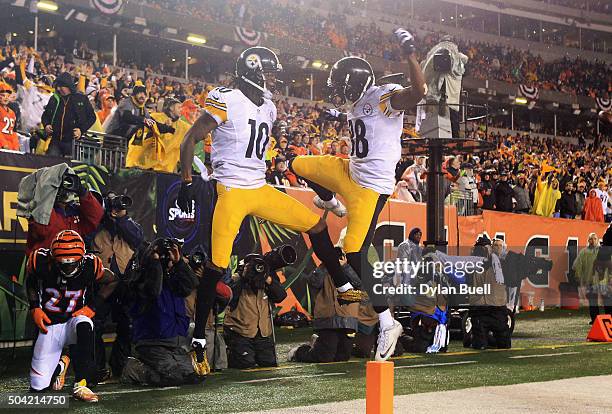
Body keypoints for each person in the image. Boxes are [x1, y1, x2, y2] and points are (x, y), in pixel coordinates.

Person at [176, 47, 358, 373]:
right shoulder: (226, 98)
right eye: (269, 73)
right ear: (254, 71)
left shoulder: (269, 108)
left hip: (259, 188)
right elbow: (189, 139)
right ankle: (200, 338)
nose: (273, 79)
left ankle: (344, 285)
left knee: (315, 226)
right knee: (217, 266)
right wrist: (188, 183)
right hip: (232, 190)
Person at [289, 28, 426, 361]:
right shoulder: (360, 101)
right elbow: (362, 120)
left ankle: (387, 322)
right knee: (299, 163)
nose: (338, 93)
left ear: (354, 82)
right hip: (348, 172)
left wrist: (410, 55)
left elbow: (418, 92)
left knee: (353, 251)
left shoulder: (385, 96)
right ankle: (329, 201)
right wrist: (336, 115)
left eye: (340, 87)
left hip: (369, 189)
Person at [26, 230, 118, 402]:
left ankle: (81, 384)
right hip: (50, 324)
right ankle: (61, 364)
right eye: (63, 264)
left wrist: (93, 307)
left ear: (82, 258)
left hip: (73, 320)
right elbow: (31, 279)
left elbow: (113, 280)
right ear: (53, 258)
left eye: (72, 263)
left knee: (85, 324)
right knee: (38, 386)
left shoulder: (91, 265)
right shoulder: (40, 261)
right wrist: (34, 307)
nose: (68, 268)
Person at [121, 238, 204, 386]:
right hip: (151, 342)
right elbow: (153, 290)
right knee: (172, 378)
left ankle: (162, 366)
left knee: (191, 377)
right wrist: (154, 262)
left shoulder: (172, 277)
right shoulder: (140, 279)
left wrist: (179, 263)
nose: (166, 259)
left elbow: (192, 284)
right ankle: (133, 369)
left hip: (174, 342)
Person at [91, 193, 144, 381]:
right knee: (94, 324)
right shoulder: (95, 227)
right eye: (111, 203)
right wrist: (102, 214)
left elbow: (138, 239)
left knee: (127, 326)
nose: (115, 206)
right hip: (101, 285)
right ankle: (97, 368)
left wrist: (122, 218)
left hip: (125, 285)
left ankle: (119, 365)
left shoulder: (130, 226)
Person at [223, 254, 287, 369]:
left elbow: (281, 296)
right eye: (253, 266)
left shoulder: (266, 280)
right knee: (246, 363)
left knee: (269, 362)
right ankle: (229, 353)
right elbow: (229, 298)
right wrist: (244, 277)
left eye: (259, 266)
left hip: (262, 333)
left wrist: (268, 279)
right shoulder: (236, 279)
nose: (256, 269)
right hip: (239, 332)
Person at [22, 166, 104, 255]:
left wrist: (82, 192)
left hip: (71, 264)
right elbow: (42, 230)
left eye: (69, 182)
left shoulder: (76, 213)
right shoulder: (40, 209)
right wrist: (47, 194)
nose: (65, 186)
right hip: (46, 264)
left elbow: (96, 217)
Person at [41, 72, 96, 157]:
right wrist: (46, 125)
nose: (59, 89)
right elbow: (45, 115)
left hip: (73, 142)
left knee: (70, 168)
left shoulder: (81, 99)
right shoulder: (54, 99)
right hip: (55, 141)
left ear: (69, 86)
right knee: (51, 165)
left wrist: (81, 130)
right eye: (57, 86)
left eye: (61, 86)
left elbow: (92, 117)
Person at [573, 233, 611, 324]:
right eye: (591, 239)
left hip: (602, 281)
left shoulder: (602, 251)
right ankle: (595, 320)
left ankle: (609, 319)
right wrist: (578, 276)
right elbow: (577, 265)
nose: (593, 240)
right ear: (588, 240)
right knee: (593, 302)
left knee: (607, 301)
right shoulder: (583, 252)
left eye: (595, 238)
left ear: (598, 240)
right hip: (590, 281)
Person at [0, 81, 19, 150]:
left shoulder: (12, 112)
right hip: (2, 145)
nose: (6, 98)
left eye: (8, 96)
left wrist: (16, 146)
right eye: (3, 95)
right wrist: (3, 143)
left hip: (10, 145)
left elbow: (13, 131)